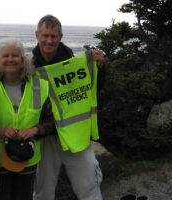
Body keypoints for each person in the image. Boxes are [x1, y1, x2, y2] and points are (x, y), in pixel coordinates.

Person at [32, 15, 105, 200]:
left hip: (75, 134)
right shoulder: (29, 66)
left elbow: (92, 90)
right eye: (46, 35)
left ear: (60, 37)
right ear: (37, 35)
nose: (50, 40)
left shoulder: (74, 63)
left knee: (89, 185)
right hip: (45, 138)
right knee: (42, 191)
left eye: (54, 36)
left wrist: (99, 68)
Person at [0, 39, 50, 200]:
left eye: (15, 55)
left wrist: (35, 130)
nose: (10, 59)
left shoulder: (40, 86)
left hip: (27, 158)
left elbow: (52, 120)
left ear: (23, 59)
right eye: (5, 56)